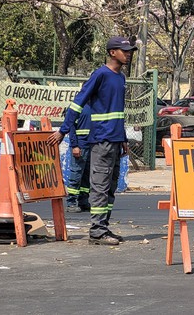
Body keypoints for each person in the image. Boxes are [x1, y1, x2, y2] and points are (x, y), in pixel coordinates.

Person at [48, 36, 137, 246]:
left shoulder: (120, 77)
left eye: (130, 50)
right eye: (125, 50)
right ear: (112, 52)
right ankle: (97, 232)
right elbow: (77, 103)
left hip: (115, 140)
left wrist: (123, 138)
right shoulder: (100, 75)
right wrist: (63, 130)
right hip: (101, 140)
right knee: (99, 186)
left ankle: (103, 227)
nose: (129, 53)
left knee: (111, 187)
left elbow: (119, 112)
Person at [66, 105, 92, 213]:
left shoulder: (96, 105)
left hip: (92, 145)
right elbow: (71, 127)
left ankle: (83, 201)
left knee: (86, 176)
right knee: (76, 175)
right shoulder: (77, 106)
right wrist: (74, 145)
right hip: (80, 146)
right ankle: (71, 203)